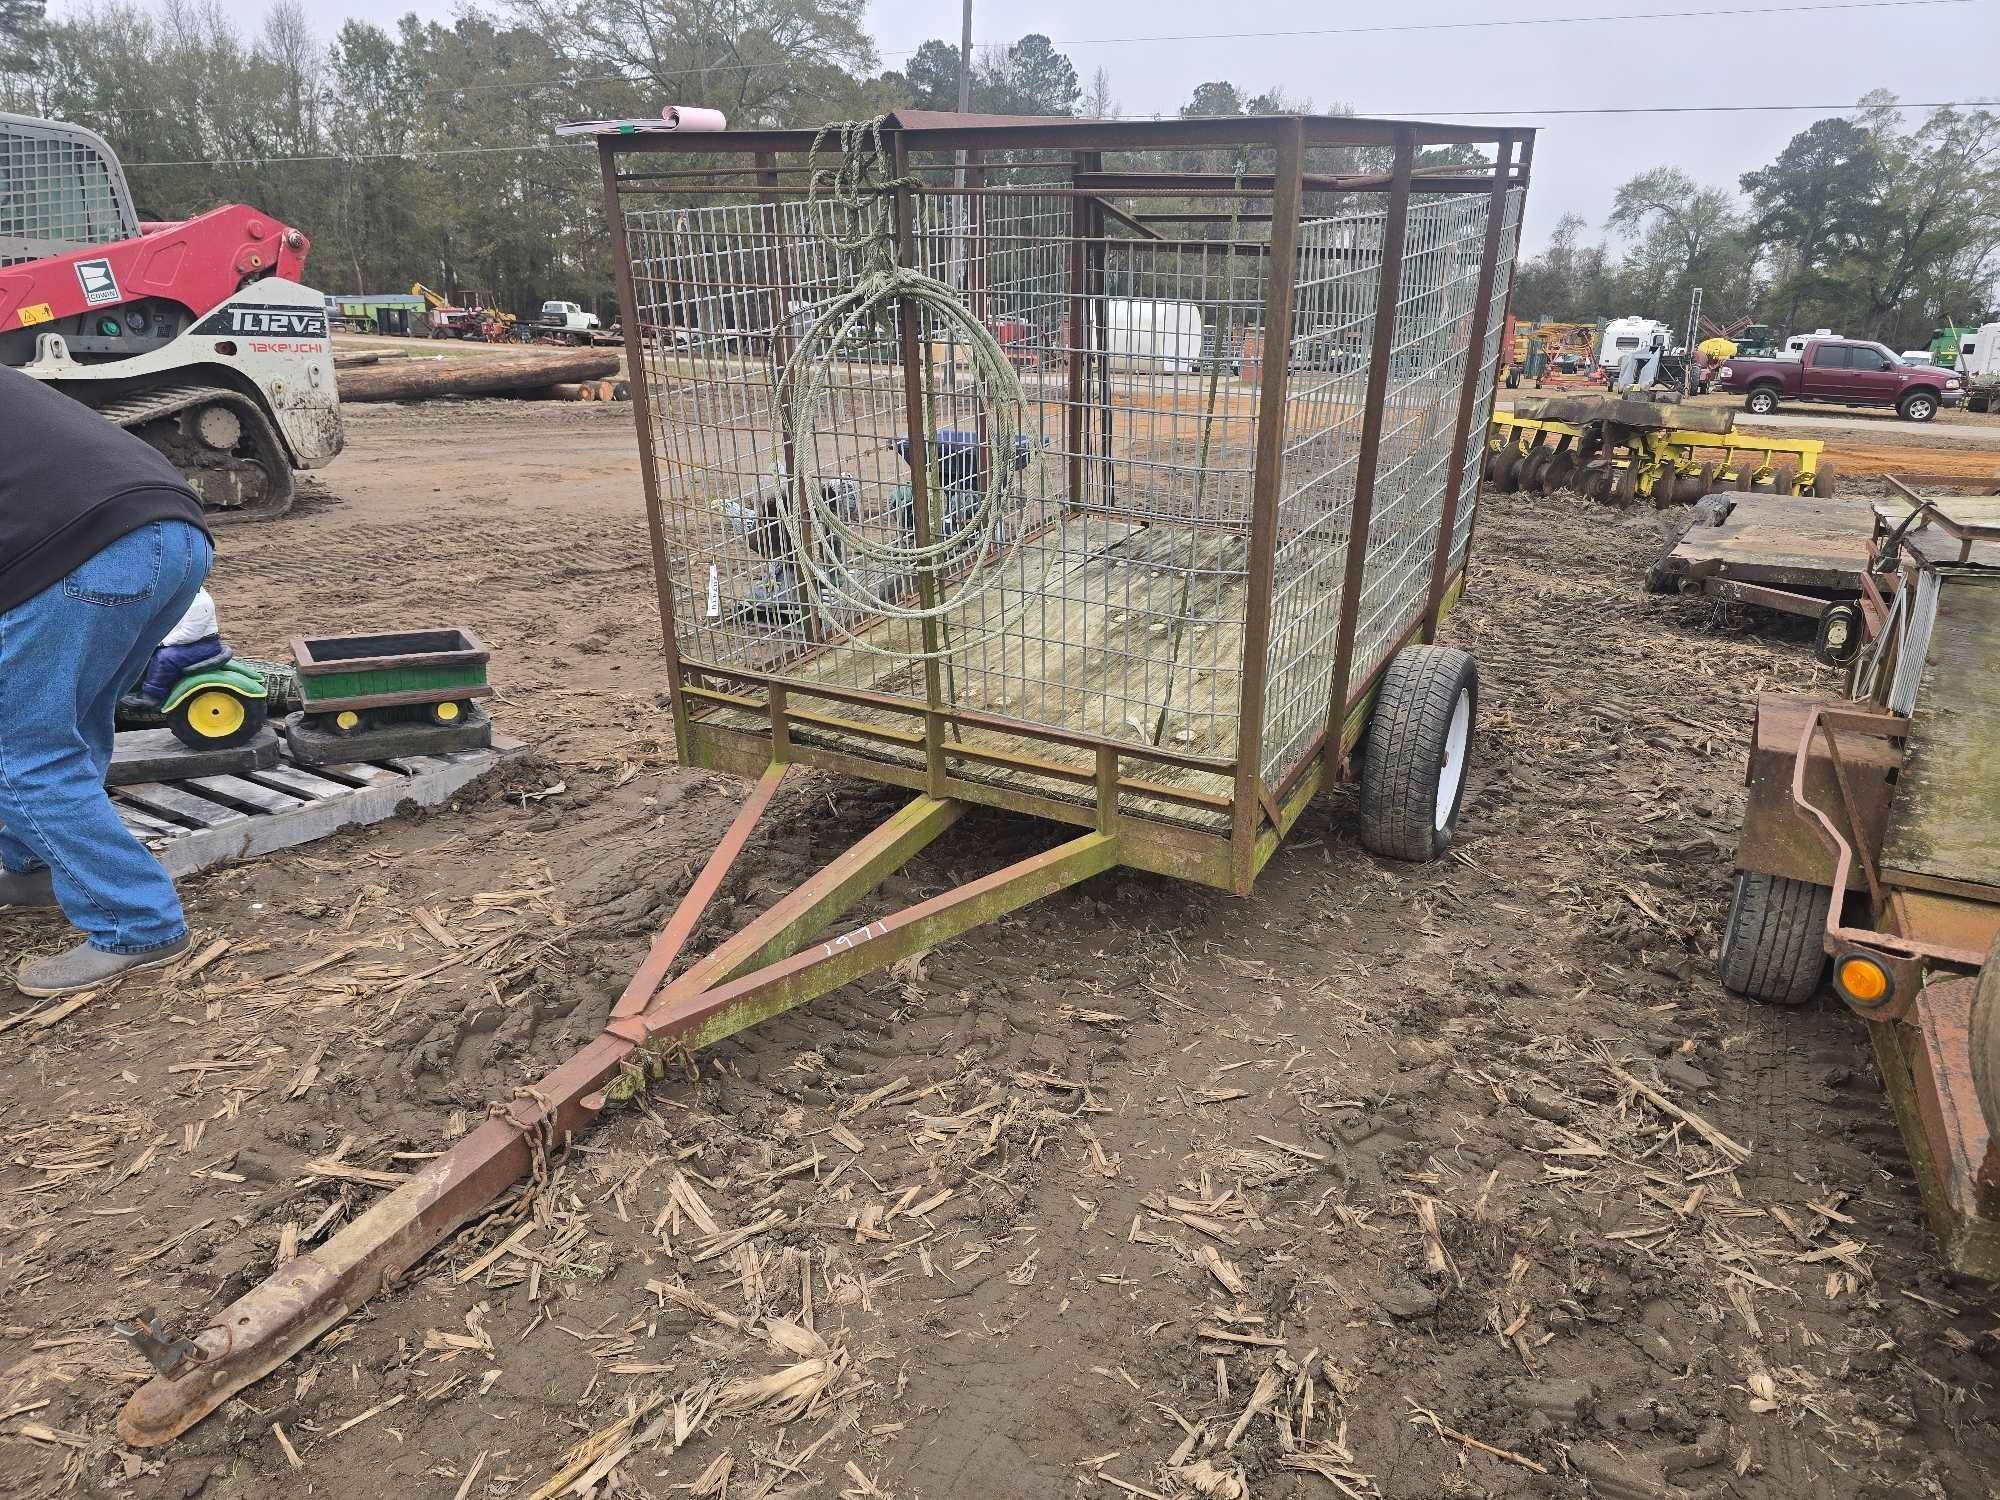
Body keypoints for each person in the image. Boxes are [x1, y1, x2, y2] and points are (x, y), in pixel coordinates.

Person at [0, 366, 213, 996]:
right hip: (172, 531)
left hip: (83, 549)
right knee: (69, 718)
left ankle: (137, 922)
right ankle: (36, 864)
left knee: (19, 754)